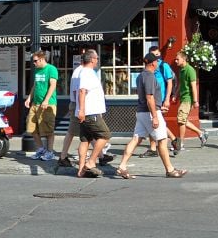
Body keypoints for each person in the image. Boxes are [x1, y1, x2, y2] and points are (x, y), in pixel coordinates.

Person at [114, 53, 188, 180]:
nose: (158, 64)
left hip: (142, 111)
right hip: (149, 112)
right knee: (162, 140)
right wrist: (155, 115)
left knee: (136, 139)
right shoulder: (149, 76)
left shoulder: (140, 76)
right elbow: (149, 97)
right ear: (153, 63)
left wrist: (158, 107)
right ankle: (170, 170)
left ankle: (122, 166)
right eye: (157, 62)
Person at [75, 49, 111, 178]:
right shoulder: (86, 73)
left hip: (88, 112)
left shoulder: (84, 72)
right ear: (91, 60)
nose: (97, 60)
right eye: (96, 58)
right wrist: (82, 110)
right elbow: (82, 91)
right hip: (90, 113)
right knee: (105, 134)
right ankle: (91, 162)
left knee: (85, 140)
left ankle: (81, 170)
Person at [140, 44, 175, 157]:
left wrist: (167, 99)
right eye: (155, 56)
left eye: (158, 55)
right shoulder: (149, 70)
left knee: (157, 123)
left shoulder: (163, 66)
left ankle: (173, 140)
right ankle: (154, 148)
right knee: (155, 123)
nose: (157, 58)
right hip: (152, 99)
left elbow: (169, 82)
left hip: (160, 99)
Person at [24, 50, 58, 161]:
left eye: (35, 61)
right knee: (31, 127)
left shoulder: (51, 69)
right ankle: (40, 149)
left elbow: (53, 85)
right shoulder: (37, 70)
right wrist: (29, 98)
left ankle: (50, 152)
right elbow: (35, 85)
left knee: (48, 130)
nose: (34, 63)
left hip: (47, 105)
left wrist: (46, 100)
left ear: (42, 59)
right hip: (35, 103)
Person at [172, 51, 206, 153]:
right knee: (183, 120)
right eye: (176, 59)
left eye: (177, 59)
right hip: (183, 98)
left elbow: (193, 87)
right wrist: (175, 94)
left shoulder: (190, 70)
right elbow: (180, 84)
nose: (176, 60)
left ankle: (181, 144)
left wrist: (195, 101)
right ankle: (201, 134)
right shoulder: (181, 70)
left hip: (188, 99)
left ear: (184, 59)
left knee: (181, 120)